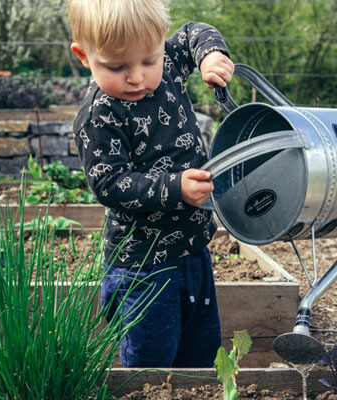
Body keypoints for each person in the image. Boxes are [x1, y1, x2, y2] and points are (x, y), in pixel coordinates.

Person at [67, 0, 234, 368]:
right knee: (152, 363)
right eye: (117, 66)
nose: (137, 77)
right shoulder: (100, 115)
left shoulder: (168, 64)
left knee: (201, 352)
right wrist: (175, 188)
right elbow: (109, 183)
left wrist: (210, 56)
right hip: (144, 265)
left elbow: (193, 33)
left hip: (194, 251)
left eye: (149, 61)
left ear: (160, 45)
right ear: (84, 56)